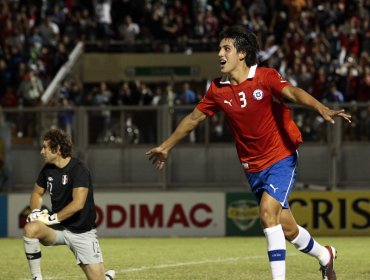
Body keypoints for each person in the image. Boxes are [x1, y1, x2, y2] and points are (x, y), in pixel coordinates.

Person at [146, 25, 352, 280]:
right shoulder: (217, 89)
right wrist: (166, 146)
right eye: (220, 48)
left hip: (281, 157)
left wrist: (320, 107)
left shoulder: (265, 77)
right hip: (252, 167)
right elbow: (193, 119)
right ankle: (325, 255)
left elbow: (292, 92)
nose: (220, 53)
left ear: (241, 54)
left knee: (267, 213)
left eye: (226, 49)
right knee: (286, 228)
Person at [23, 128, 115, 280]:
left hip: (81, 232)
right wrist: (35, 212)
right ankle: (36, 278)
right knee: (30, 229)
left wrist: (52, 218)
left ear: (57, 149)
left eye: (45, 147)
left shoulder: (79, 169)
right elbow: (36, 193)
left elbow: (78, 204)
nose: (41, 151)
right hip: (58, 228)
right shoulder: (47, 170)